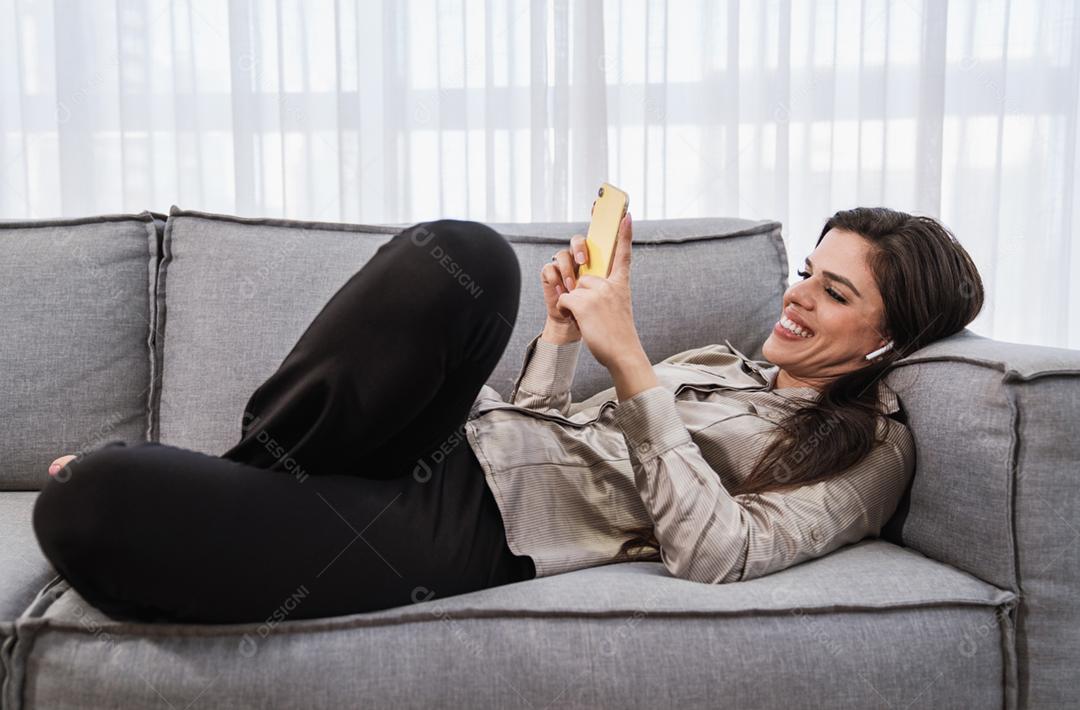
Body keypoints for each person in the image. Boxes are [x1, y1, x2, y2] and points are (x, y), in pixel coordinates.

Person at [33, 206, 984, 624]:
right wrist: (570, 334)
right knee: (466, 256)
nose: (799, 297)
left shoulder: (869, 448)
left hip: (479, 529)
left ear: (886, 342)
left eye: (835, 293)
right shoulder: (723, 364)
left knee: (92, 502)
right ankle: (249, 489)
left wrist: (630, 362)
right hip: (463, 440)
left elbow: (718, 550)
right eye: (807, 271)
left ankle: (209, 502)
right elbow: (547, 425)